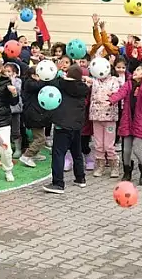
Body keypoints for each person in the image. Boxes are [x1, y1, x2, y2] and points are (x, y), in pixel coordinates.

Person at [43, 65, 91, 194]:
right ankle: (80, 178)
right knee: (77, 152)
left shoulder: (60, 83)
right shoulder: (83, 88)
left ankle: (58, 183)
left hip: (62, 124)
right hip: (77, 125)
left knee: (58, 154)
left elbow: (49, 80)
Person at [109, 64, 142, 186]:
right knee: (126, 150)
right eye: (135, 69)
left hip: (140, 121)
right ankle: (127, 171)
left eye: (138, 69)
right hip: (128, 121)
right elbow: (121, 93)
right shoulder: (129, 83)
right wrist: (111, 100)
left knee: (137, 148)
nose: (135, 71)